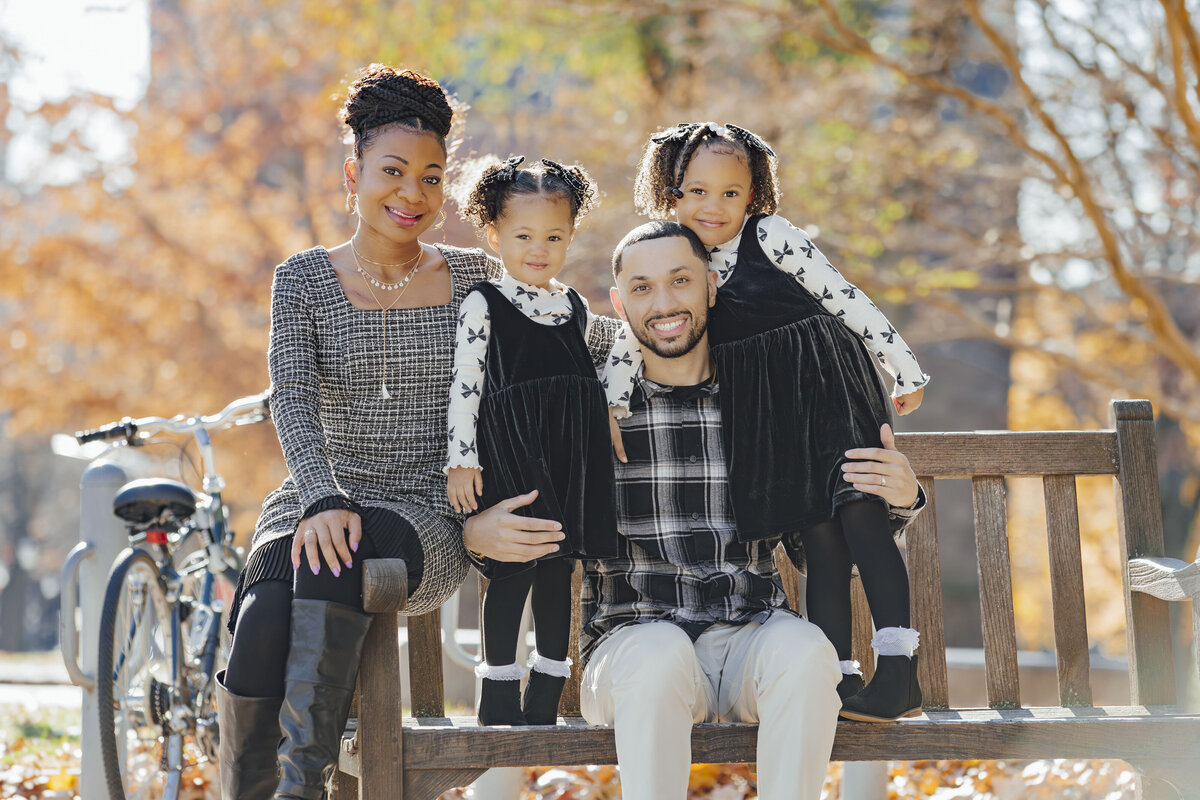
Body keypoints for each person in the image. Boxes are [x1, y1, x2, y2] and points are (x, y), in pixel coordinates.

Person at [214, 65, 622, 800]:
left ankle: (302, 789)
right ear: (353, 173)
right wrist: (321, 497)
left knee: (331, 560)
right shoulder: (301, 280)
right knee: (267, 604)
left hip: (427, 515)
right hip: (318, 501)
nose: (413, 194)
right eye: (393, 172)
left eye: (432, 177)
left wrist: (672, 334)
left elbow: (586, 341)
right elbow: (294, 401)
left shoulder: (478, 278)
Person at [473, 220, 923, 800]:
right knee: (659, 655)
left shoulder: (763, 399)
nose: (664, 304)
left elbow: (816, 550)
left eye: (680, 281)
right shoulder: (587, 407)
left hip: (752, 634)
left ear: (712, 285)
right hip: (632, 644)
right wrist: (478, 528)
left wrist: (900, 497)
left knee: (809, 652)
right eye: (641, 288)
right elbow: (523, 507)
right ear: (617, 301)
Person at [604, 121, 930, 722]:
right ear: (670, 193)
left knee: (862, 521)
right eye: (697, 191)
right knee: (819, 540)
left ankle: (900, 673)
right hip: (776, 414)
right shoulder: (681, 260)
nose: (714, 206)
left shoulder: (771, 237)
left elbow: (845, 297)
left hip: (829, 387)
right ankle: (836, 677)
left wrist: (902, 365)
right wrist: (611, 400)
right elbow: (629, 331)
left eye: (731, 193)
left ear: (753, 196)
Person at [445, 156, 625, 725]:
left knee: (558, 572)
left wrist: (612, 405)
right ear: (494, 234)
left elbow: (622, 348)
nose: (538, 248)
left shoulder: (572, 305)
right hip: (514, 456)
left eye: (554, 236)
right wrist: (461, 458)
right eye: (523, 235)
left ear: (571, 236)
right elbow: (466, 383)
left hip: (569, 456)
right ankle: (498, 689)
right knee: (512, 569)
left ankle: (548, 686)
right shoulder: (485, 302)